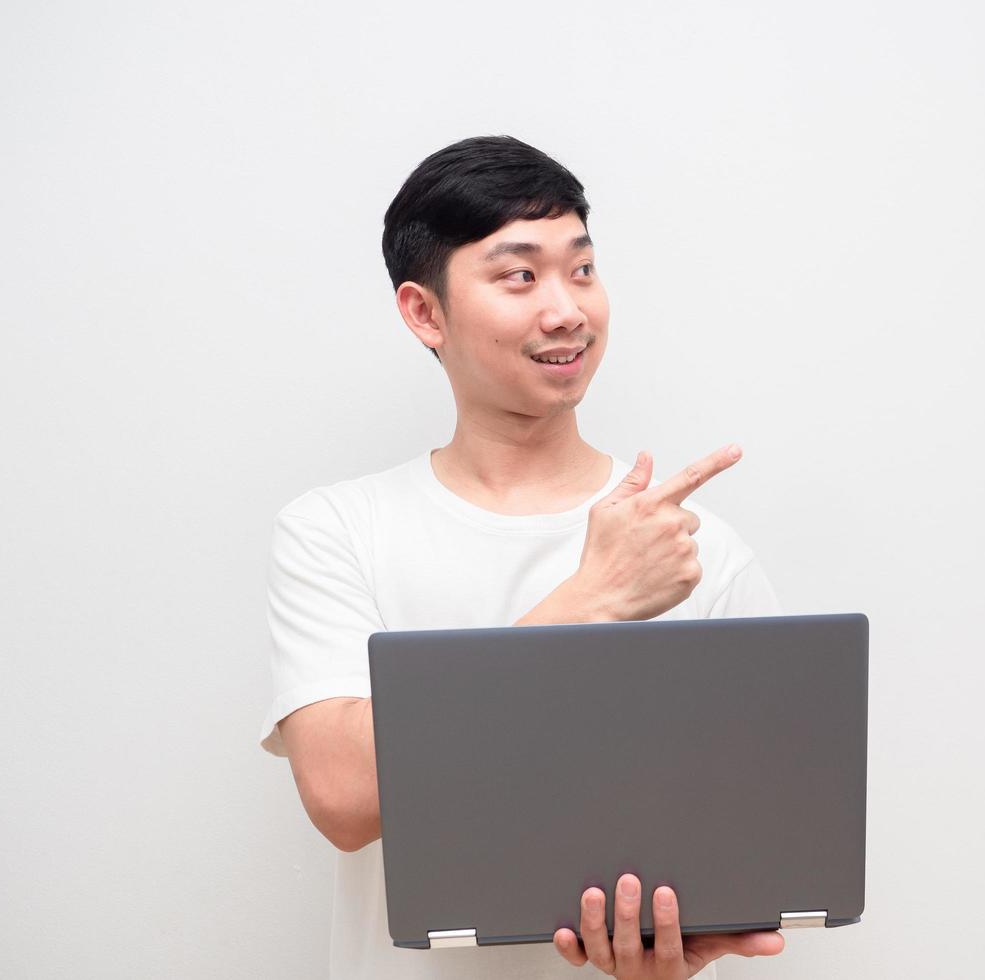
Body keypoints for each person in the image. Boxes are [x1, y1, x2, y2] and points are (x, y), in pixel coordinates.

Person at [259, 135, 787, 979]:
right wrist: (590, 600)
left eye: (581, 269)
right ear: (423, 312)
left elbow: (764, 831)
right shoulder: (337, 529)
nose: (567, 309)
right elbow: (345, 799)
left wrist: (686, 949)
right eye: (519, 275)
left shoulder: (689, 549)